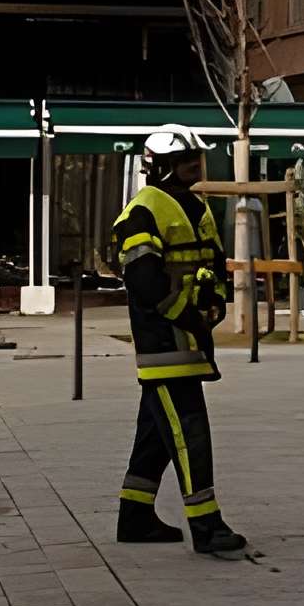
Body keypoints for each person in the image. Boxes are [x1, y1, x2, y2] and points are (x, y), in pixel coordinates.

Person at [110, 125, 246, 557]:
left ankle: (135, 517)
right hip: (165, 344)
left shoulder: (197, 206)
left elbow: (214, 262)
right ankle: (206, 525)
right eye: (188, 157)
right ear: (162, 164)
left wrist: (217, 301)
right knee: (189, 432)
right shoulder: (143, 211)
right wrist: (187, 315)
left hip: (190, 339)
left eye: (197, 157)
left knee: (155, 432)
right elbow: (143, 281)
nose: (196, 164)